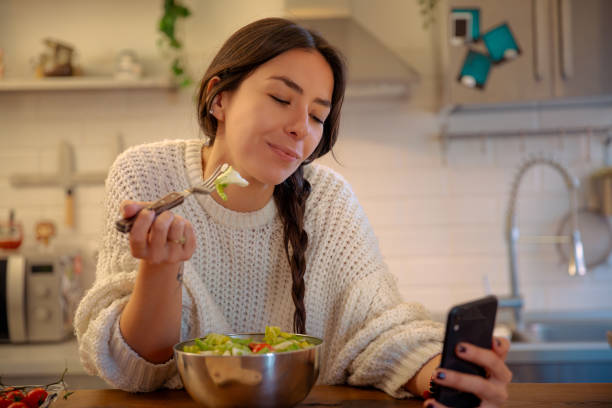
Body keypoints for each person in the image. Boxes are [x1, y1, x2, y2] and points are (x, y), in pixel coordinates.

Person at [74, 17, 511, 407]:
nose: (301, 128)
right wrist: (159, 267)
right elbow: (137, 369)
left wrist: (445, 377)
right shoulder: (149, 176)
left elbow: (378, 328)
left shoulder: (327, 200)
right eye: (282, 99)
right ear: (218, 98)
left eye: (318, 116)